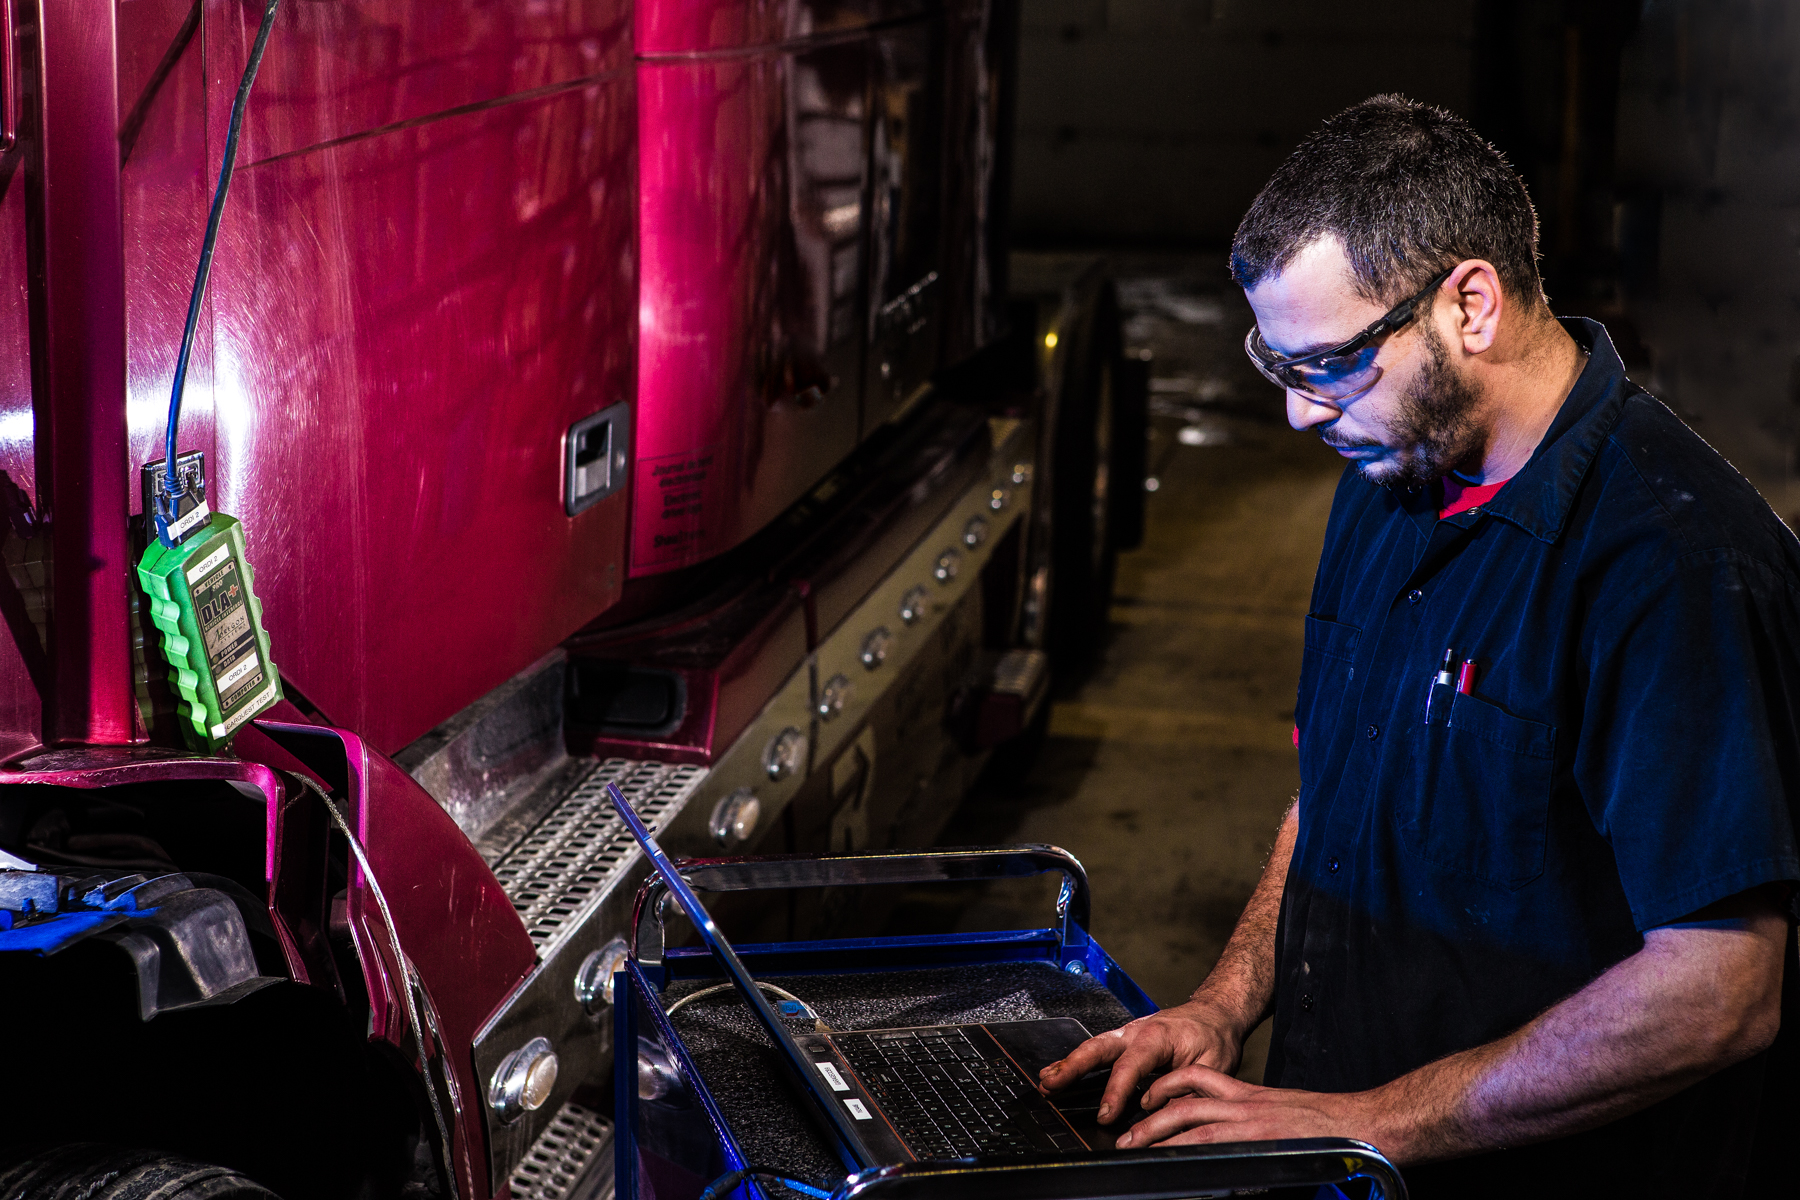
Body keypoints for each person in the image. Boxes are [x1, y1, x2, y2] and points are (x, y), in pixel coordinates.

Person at [1040, 95, 1799, 1197]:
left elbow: (1722, 987)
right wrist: (1223, 1006)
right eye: (1277, 363)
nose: (1301, 415)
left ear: (1471, 306)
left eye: (1330, 363)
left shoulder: (1676, 565)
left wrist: (1364, 1122)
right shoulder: (1391, 476)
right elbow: (1336, 792)